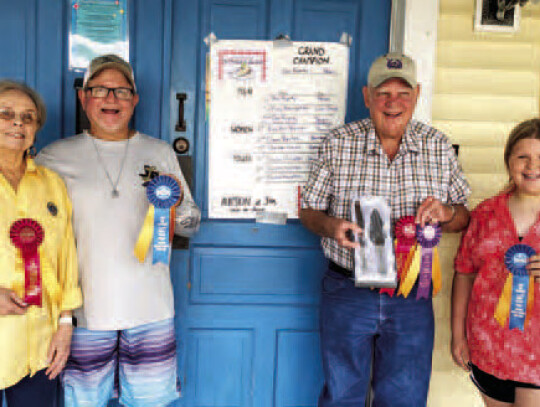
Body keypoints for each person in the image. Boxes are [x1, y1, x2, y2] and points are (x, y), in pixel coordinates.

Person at [300, 52, 471, 406]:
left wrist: (446, 212)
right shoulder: (337, 143)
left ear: (417, 95)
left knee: (405, 398)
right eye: (383, 93)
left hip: (412, 294)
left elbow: (464, 217)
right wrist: (332, 226)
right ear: (367, 96)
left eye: (403, 93)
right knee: (341, 394)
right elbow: (308, 211)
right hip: (347, 289)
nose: (393, 102)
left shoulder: (437, 146)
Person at [36, 55, 201, 407]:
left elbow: (192, 220)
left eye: (122, 91)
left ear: (135, 100)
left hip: (150, 309)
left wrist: (172, 215)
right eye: (100, 90)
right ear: (83, 98)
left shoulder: (159, 151)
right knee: (83, 402)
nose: (111, 99)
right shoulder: (54, 157)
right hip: (83, 312)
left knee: (150, 402)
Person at [0, 80, 82, 407]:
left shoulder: (51, 184)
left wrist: (65, 324)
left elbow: (67, 256)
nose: (18, 123)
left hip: (39, 344)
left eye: (28, 117)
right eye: (6, 114)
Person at [452, 118, 540, 407]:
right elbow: (464, 273)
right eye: (522, 157)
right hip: (489, 345)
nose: (531, 166)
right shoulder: (486, 213)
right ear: (508, 161)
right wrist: (458, 335)